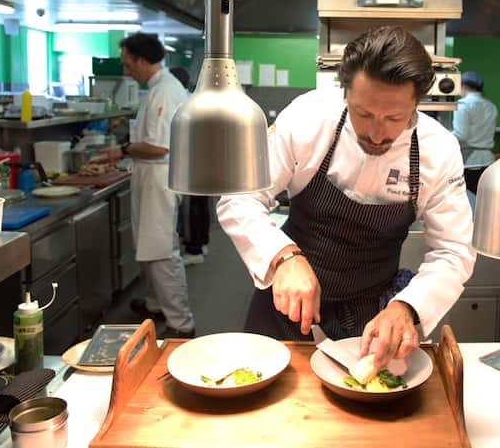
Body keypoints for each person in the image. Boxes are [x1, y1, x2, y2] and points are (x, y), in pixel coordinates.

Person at [217, 26, 476, 370]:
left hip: (373, 315)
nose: (376, 133)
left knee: (366, 411)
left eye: (394, 118)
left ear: (417, 103)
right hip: (286, 299)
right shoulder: (308, 117)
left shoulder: (437, 150)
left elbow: (453, 250)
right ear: (344, 91)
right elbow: (240, 197)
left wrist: (407, 308)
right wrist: (283, 257)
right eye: (363, 113)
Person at [100, 33, 196, 339]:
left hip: (160, 177)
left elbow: (159, 147)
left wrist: (123, 150)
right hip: (150, 176)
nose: (127, 71)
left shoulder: (165, 92)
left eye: (129, 65)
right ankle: (157, 303)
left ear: (142, 60)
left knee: (161, 252)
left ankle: (181, 323)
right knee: (150, 246)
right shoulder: (156, 90)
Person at [168, 65, 211, 266]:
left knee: (194, 207)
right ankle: (201, 244)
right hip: (202, 159)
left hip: (193, 162)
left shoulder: (180, 101)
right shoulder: (191, 99)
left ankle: (195, 249)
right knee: (201, 205)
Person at [451, 70, 498, 195]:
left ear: (463, 86)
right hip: (488, 161)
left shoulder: (463, 105)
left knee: (468, 202)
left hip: (469, 161)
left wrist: (441, 137)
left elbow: (461, 135)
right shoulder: (491, 106)